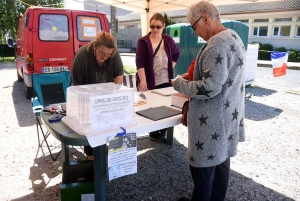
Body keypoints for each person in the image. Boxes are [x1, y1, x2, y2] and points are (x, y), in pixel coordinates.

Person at [171, 1, 246, 201]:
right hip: (225, 122)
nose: (195, 32)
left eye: (194, 26)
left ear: (205, 18)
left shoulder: (216, 43)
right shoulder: (234, 37)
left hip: (210, 127)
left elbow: (209, 87)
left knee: (203, 177)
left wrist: (179, 84)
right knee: (220, 171)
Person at [72, 31, 124, 160]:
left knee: (107, 121)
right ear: (95, 46)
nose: (105, 57)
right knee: (89, 122)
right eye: (102, 53)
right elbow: (77, 86)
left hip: (105, 97)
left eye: (108, 54)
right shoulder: (82, 56)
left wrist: (114, 96)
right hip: (85, 96)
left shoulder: (113, 54)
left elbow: (118, 76)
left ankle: (102, 145)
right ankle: (90, 152)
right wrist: (87, 103)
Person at [135, 13, 180, 143]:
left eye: (158, 27)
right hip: (150, 81)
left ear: (163, 26)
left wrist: (169, 66)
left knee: (165, 106)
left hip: (166, 80)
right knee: (151, 106)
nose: (155, 29)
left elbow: (177, 54)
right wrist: (143, 81)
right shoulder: (143, 42)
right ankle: (154, 132)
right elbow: (140, 63)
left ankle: (163, 131)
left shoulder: (168, 40)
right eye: (152, 26)